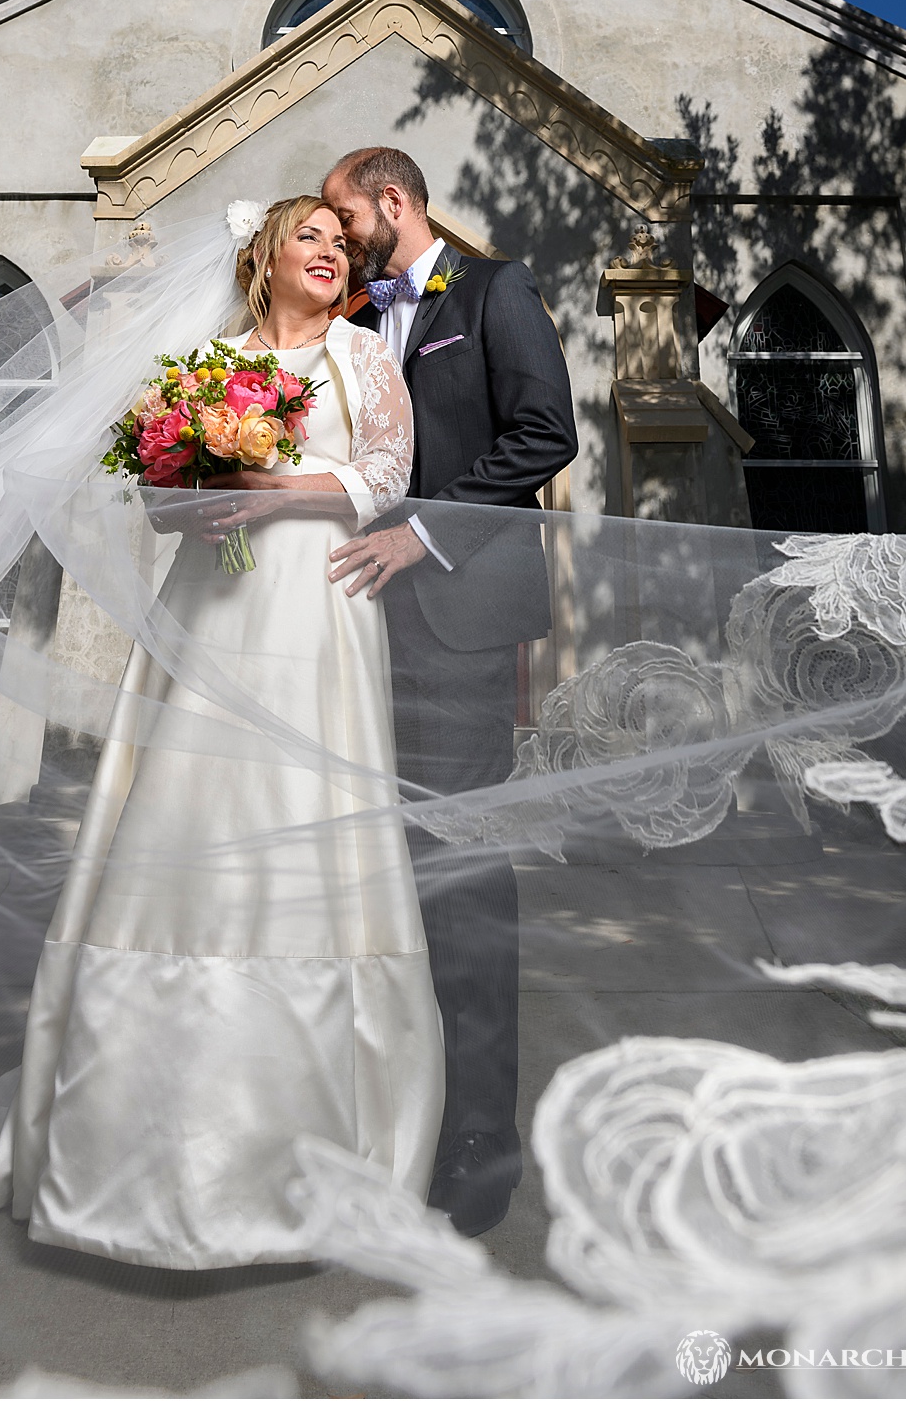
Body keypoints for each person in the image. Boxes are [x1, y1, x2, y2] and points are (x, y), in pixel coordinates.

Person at [0, 196, 445, 1269]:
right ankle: (130, 1153)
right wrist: (200, 496)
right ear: (264, 254)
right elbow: (156, 498)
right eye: (311, 236)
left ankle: (310, 1154)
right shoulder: (202, 362)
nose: (330, 252)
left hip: (317, 607)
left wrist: (265, 489)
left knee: (306, 818)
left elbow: (386, 475)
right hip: (209, 610)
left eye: (341, 244)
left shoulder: (361, 356)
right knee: (180, 820)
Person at [320, 148, 579, 1237]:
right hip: (353, 637)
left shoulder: (493, 292)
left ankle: (479, 1139)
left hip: (458, 624)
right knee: (372, 873)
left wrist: (423, 535)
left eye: (344, 214)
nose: (336, 236)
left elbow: (544, 433)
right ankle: (389, 1108)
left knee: (461, 876)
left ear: (394, 200)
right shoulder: (353, 320)